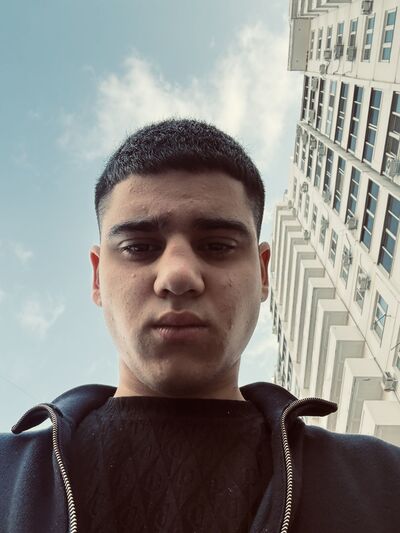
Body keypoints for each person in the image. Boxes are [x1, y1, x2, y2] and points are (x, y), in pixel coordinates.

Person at [0, 119, 399, 533]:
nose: (178, 276)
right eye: (139, 247)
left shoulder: (383, 480)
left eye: (217, 246)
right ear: (98, 277)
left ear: (263, 273)